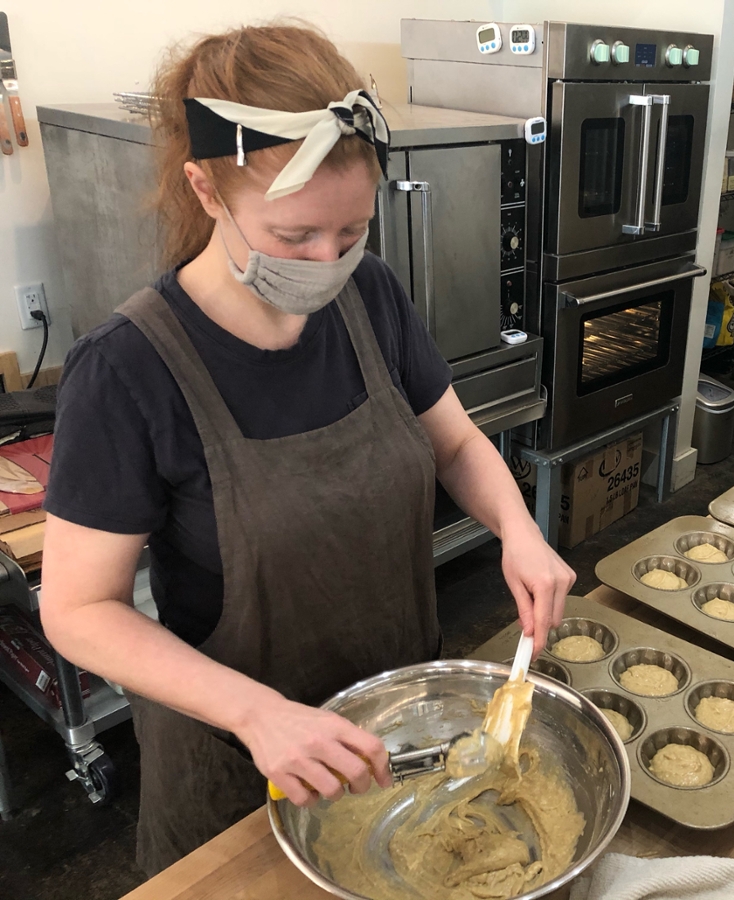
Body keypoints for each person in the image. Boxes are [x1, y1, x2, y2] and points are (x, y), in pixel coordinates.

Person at [38, 23, 574, 875]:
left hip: (396, 727)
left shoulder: (371, 296)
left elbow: (456, 443)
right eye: (293, 238)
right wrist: (257, 716)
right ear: (205, 191)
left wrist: (518, 527)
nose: (327, 261)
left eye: (351, 230)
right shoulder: (128, 369)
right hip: (234, 766)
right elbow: (76, 610)